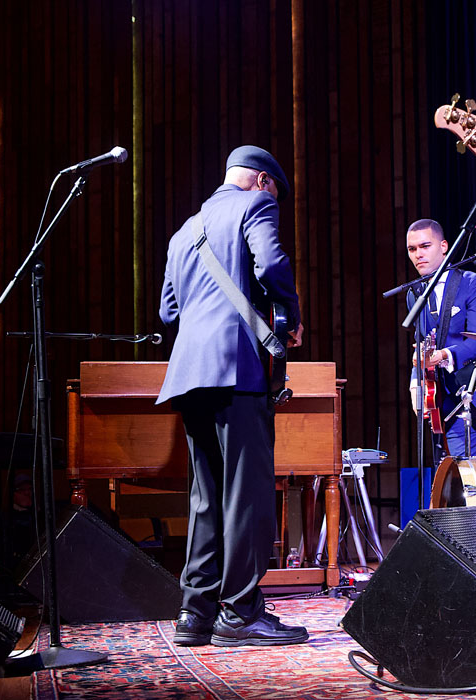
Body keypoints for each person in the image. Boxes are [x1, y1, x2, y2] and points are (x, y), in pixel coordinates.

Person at [157, 145, 306, 647]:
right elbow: (270, 265)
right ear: (263, 182)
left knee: (205, 498)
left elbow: (168, 312)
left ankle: (194, 613)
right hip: (236, 369)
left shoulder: (184, 231)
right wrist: (290, 314)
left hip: (189, 374)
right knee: (246, 496)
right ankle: (241, 613)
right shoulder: (255, 206)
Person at [401, 220, 476, 525]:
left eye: (425, 247)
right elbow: (420, 341)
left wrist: (445, 355)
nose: (418, 255)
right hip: (444, 398)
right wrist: (416, 384)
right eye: (412, 249)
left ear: (443, 247)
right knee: (461, 474)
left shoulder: (472, 284)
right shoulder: (416, 293)